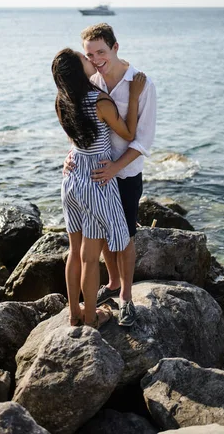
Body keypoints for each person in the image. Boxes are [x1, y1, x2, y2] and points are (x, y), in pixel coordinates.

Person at [52, 48, 146, 329]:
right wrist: (133, 95)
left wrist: (70, 157)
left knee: (74, 251)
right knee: (91, 257)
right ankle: (92, 319)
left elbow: (75, 139)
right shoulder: (100, 101)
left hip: (72, 178)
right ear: (79, 71)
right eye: (84, 59)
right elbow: (129, 134)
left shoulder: (62, 101)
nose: (89, 59)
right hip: (95, 179)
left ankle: (74, 314)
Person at [74, 23, 156, 327]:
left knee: (125, 238)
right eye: (89, 54)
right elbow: (80, 130)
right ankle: (111, 284)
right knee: (102, 234)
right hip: (95, 173)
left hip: (125, 174)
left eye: (101, 51)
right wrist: (72, 157)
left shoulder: (142, 84)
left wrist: (115, 168)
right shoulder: (90, 82)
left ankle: (126, 298)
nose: (96, 59)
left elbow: (142, 140)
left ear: (116, 47)